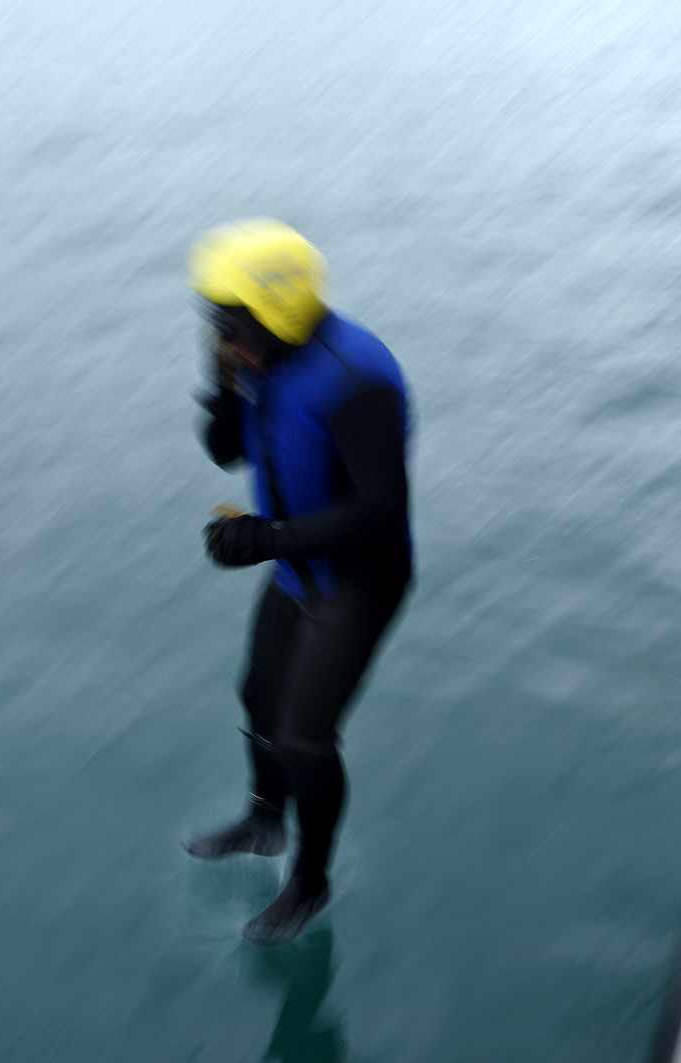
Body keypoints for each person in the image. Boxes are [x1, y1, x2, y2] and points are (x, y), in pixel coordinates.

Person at [182, 218, 413, 946]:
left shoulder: (355, 379)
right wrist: (221, 385)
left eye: (233, 324)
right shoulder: (263, 361)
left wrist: (265, 538)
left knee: (305, 737)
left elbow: (381, 513)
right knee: (257, 695)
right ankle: (262, 819)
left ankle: (309, 883)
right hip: (295, 566)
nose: (225, 338)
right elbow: (225, 451)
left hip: (358, 580)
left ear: (276, 311)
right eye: (216, 325)